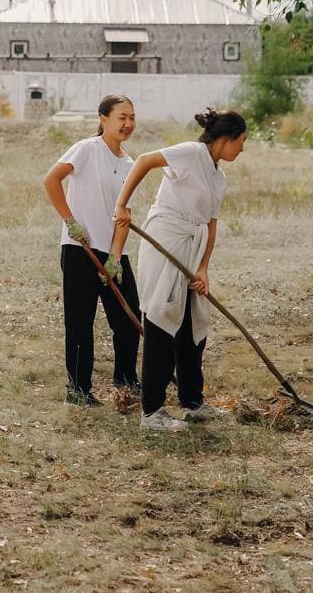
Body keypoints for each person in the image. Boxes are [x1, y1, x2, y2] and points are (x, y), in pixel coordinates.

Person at [109, 108, 249, 432]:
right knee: (161, 316)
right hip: (167, 238)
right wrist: (121, 205)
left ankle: (193, 403)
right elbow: (144, 160)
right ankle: (152, 412)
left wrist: (203, 269)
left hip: (193, 246)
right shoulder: (191, 153)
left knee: (191, 324)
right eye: (241, 141)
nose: (242, 148)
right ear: (227, 139)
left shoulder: (219, 176)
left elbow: (210, 223)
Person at [43, 95, 143, 407]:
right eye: (121, 117)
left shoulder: (130, 164)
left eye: (132, 118)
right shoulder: (87, 149)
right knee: (80, 323)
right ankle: (78, 390)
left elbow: (124, 214)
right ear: (103, 119)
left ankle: (125, 380)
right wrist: (70, 220)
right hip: (79, 248)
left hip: (110, 251)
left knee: (128, 320)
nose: (127, 124)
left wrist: (115, 256)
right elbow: (51, 180)